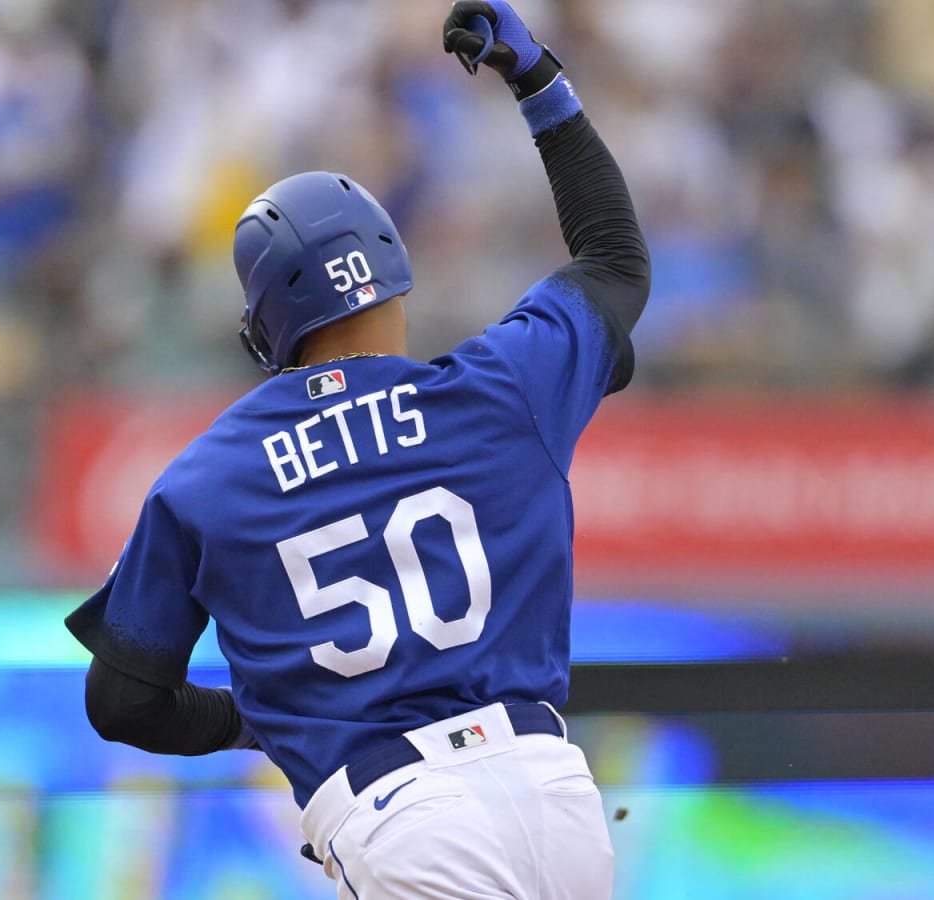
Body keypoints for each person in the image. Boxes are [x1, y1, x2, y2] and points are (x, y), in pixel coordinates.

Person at [66, 2, 649, 897]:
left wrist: (256, 722)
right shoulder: (497, 388)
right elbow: (613, 258)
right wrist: (539, 84)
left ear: (265, 327)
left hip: (399, 814)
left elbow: (122, 701)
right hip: (553, 790)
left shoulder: (208, 478)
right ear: (391, 267)